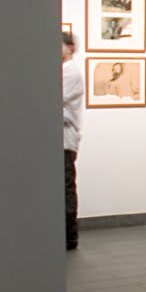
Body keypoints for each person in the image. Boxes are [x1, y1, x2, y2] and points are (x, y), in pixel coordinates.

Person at [62, 31, 83, 251]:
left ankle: (70, 237)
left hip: (66, 141)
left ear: (69, 47)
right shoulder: (64, 70)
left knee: (66, 187)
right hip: (63, 140)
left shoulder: (71, 72)